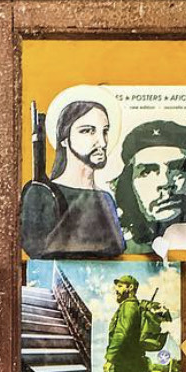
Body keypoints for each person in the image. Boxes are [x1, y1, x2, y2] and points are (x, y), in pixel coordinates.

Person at [19, 98, 126, 259]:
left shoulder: (106, 198)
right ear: (64, 139)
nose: (102, 142)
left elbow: (117, 250)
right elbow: (36, 249)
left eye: (105, 131)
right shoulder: (42, 193)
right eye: (88, 131)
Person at [113, 119, 186, 255]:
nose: (164, 182)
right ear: (129, 185)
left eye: (180, 168)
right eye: (146, 171)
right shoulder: (120, 254)